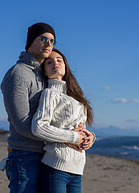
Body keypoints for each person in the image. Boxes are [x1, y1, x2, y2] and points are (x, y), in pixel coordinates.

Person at [0, 22, 57, 193]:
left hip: (46, 155)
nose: (49, 44)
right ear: (31, 41)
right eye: (43, 39)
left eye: (53, 41)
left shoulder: (44, 74)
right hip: (24, 156)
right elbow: (23, 124)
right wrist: (66, 138)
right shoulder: (18, 74)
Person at [31, 48, 95, 193]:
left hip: (77, 168)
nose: (56, 63)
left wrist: (90, 137)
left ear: (66, 66)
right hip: (55, 166)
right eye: (49, 61)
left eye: (59, 60)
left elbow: (79, 127)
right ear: (45, 71)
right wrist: (74, 137)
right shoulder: (50, 93)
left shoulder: (76, 97)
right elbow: (39, 127)